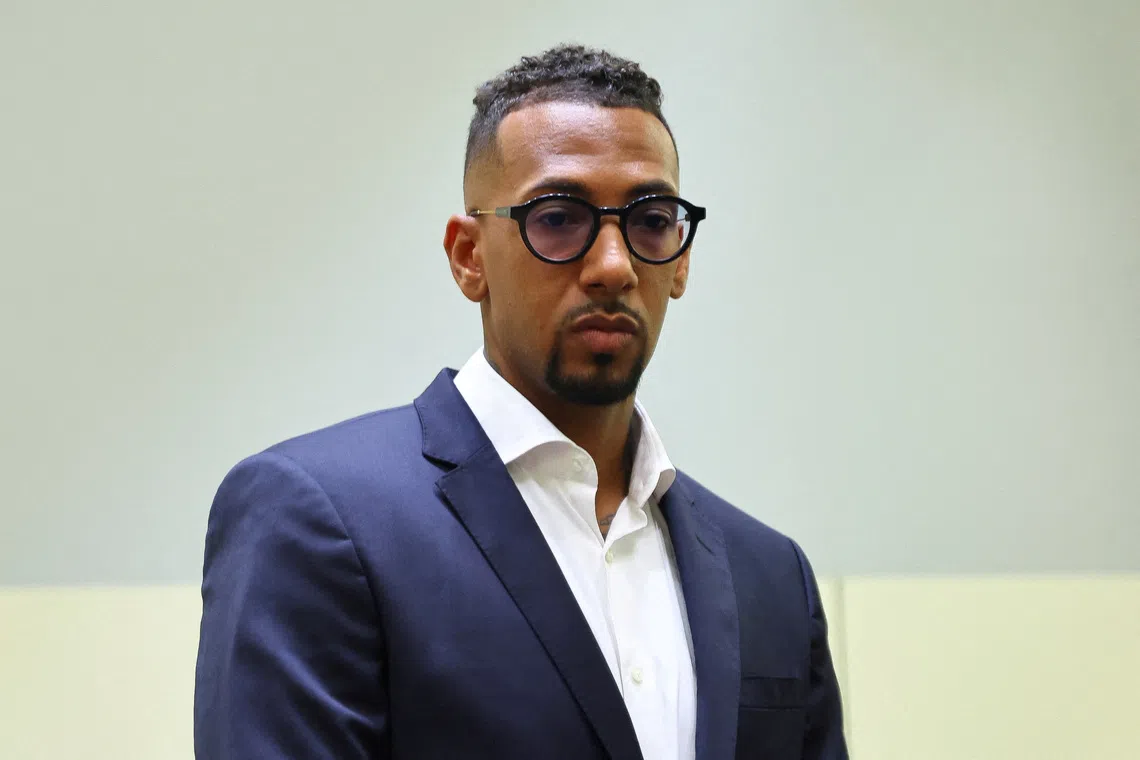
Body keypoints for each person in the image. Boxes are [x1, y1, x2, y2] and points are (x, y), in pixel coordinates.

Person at [194, 44, 847, 760]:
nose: (613, 265)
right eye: (559, 217)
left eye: (652, 219)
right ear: (469, 257)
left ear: (682, 259)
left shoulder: (772, 575)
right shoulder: (319, 519)